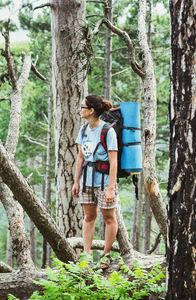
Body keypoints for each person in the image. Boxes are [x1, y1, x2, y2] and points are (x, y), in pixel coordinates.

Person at [72, 94, 119, 269]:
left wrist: (110, 189)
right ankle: (86, 256)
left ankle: (106, 256)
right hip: (87, 181)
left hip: (105, 181)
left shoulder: (108, 131)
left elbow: (113, 162)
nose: (80, 110)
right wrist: (76, 181)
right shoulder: (83, 130)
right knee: (89, 217)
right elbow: (80, 158)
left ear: (91, 111)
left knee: (108, 218)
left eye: (82, 107)